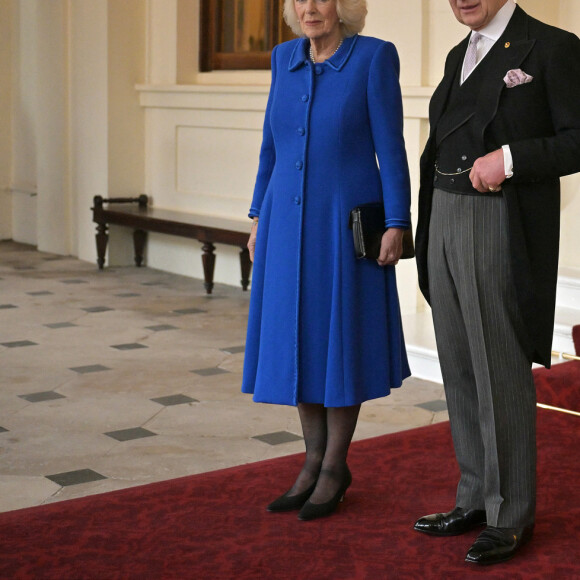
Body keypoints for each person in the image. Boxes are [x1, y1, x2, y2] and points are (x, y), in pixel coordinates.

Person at [414, 0, 580, 565]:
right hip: (443, 215)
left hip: (497, 221)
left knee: (498, 368)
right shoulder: (460, 53)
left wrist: (508, 159)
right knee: (458, 365)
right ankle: (476, 498)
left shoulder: (552, 47)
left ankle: (510, 514)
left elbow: (578, 138)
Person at [242, 0, 412, 521]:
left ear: (345, 7)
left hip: (343, 226)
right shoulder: (282, 57)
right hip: (284, 225)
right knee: (300, 338)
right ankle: (311, 459)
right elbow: (270, 147)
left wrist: (398, 222)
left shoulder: (373, 58)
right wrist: (256, 219)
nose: (310, 7)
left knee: (339, 340)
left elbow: (392, 147)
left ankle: (335, 464)